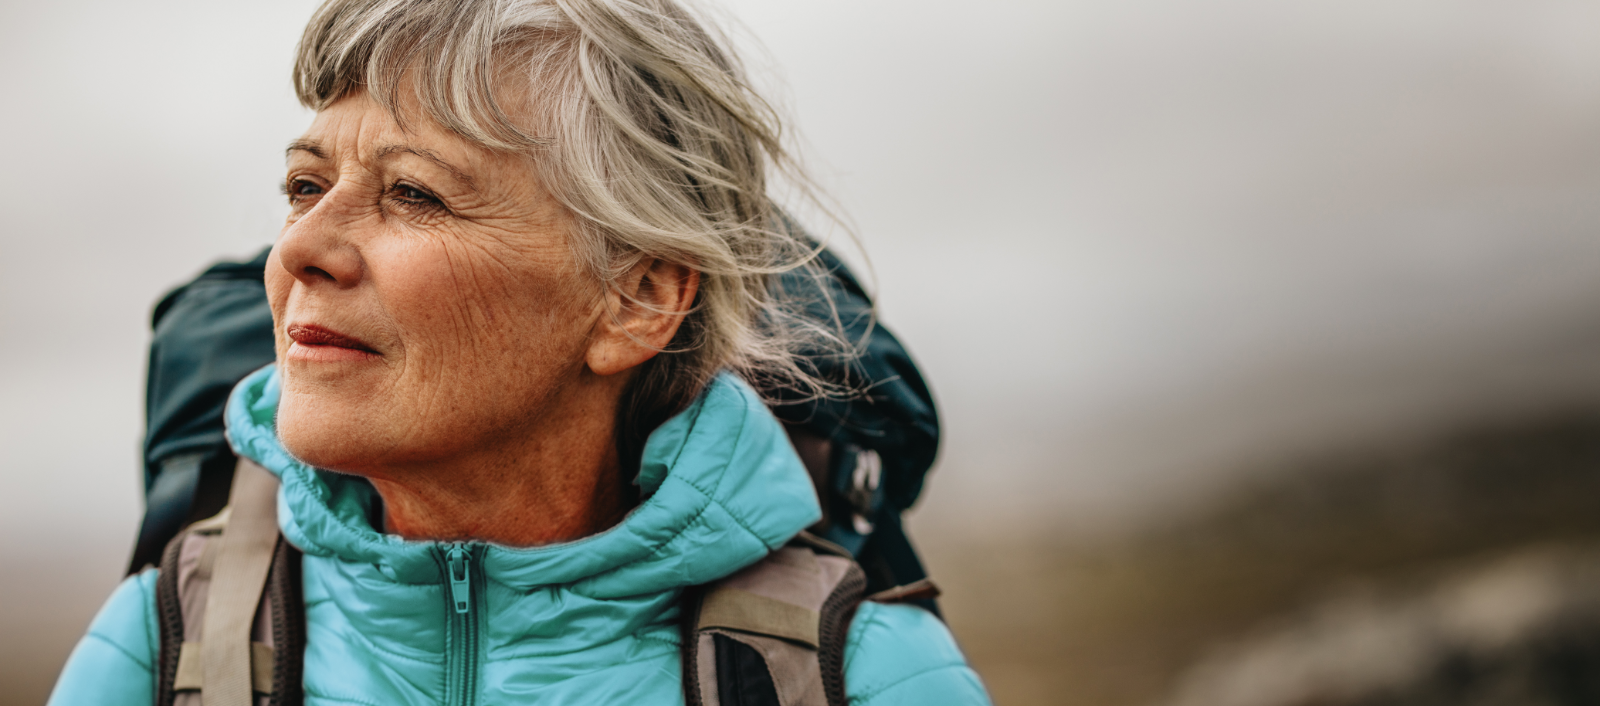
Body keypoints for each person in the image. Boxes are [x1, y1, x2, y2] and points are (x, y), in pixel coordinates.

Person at [47, 0, 990, 704]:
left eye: (415, 195)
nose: (297, 250)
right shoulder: (165, 640)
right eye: (304, 184)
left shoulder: (863, 676)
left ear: (637, 301)